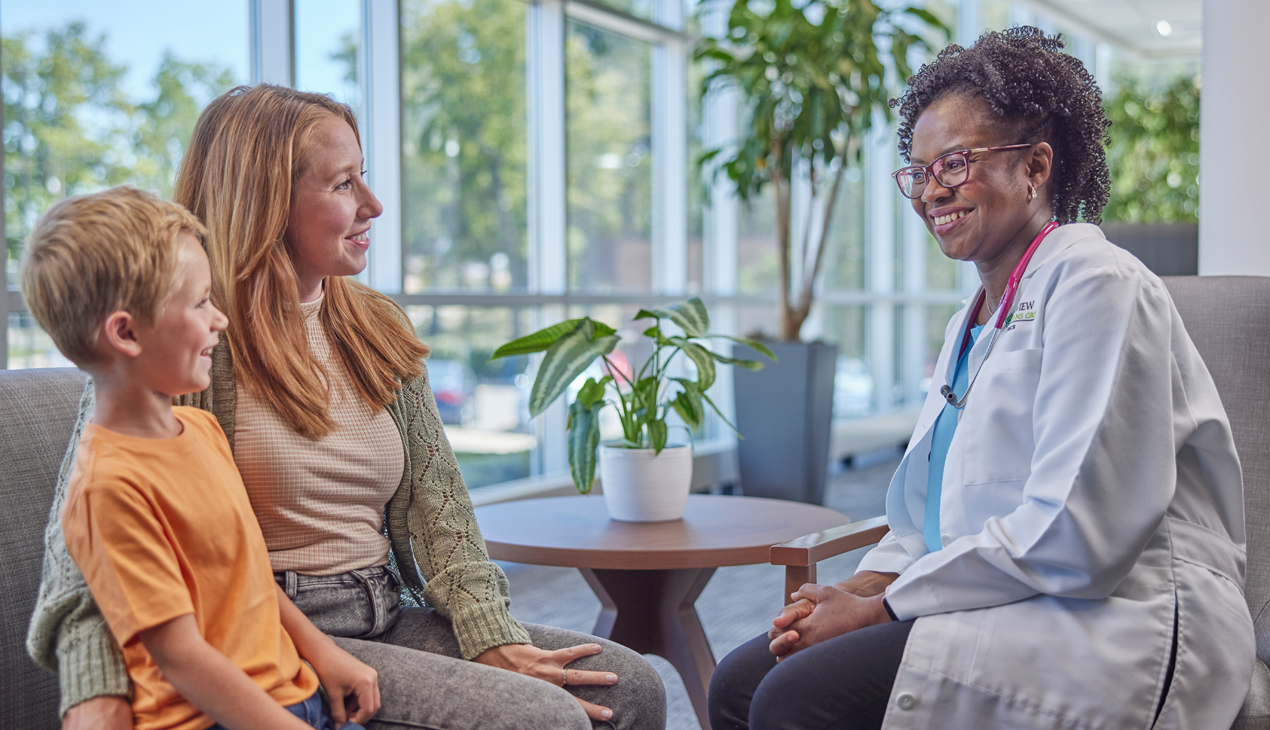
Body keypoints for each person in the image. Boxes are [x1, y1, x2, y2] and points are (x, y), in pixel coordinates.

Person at [27, 85, 666, 730]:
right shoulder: (180, 341)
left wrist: (489, 633)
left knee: (633, 690)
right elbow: (82, 557)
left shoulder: (377, 325)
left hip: (383, 610)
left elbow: (441, 507)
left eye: (364, 175)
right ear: (266, 201)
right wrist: (96, 702)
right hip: (271, 637)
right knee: (542, 720)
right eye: (342, 184)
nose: (373, 204)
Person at [708, 27, 1254, 730]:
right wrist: (863, 583)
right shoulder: (971, 320)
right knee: (738, 683)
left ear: (1036, 166)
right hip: (1000, 596)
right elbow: (931, 519)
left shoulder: (1097, 284)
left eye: (955, 163)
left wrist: (881, 608)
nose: (931, 190)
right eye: (918, 171)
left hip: (1118, 615)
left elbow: (1078, 531)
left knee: (794, 697)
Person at [21, 186, 380, 730]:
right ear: (126, 332)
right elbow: (182, 658)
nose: (221, 320)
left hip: (294, 694)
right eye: (200, 303)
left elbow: (248, 576)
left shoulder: (204, 429)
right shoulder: (106, 489)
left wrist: (323, 652)